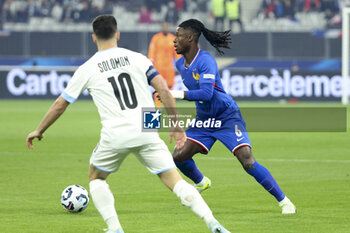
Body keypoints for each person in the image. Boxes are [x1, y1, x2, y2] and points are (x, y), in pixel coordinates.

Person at [26, 15, 230, 233]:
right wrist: (176, 125)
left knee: (96, 178)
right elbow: (163, 90)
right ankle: (211, 221)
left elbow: (60, 104)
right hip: (146, 129)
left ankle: (115, 228)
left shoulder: (88, 68)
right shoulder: (137, 59)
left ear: (94, 37)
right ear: (118, 34)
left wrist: (39, 129)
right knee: (175, 181)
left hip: (115, 133)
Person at [167, 19, 296, 214]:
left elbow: (207, 93)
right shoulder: (179, 64)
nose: (174, 40)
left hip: (226, 116)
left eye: (178, 36)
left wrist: (176, 94)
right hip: (204, 119)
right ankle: (202, 182)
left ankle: (284, 201)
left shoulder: (206, 60)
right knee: (178, 156)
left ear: (190, 38)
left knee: (247, 161)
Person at [148, 21, 181, 107]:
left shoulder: (173, 38)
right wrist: (150, 64)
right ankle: (158, 105)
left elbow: (177, 54)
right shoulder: (156, 38)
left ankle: (171, 105)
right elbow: (151, 52)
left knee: (170, 87)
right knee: (158, 87)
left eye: (166, 27)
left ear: (168, 28)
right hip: (158, 67)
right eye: (163, 27)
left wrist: (180, 65)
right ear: (161, 28)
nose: (165, 28)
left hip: (169, 68)